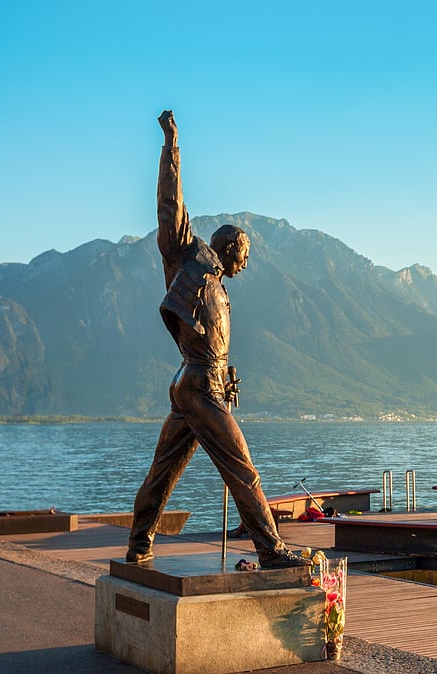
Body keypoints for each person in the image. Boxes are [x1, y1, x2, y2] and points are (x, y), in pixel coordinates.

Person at [125, 110, 308, 569]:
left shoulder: (218, 290)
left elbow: (207, 341)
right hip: (196, 386)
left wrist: (223, 373)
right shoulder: (188, 258)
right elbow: (171, 205)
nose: (245, 265)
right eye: (244, 256)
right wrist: (172, 146)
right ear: (230, 248)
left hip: (196, 383)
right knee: (241, 469)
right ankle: (270, 551)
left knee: (163, 473)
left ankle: (139, 544)